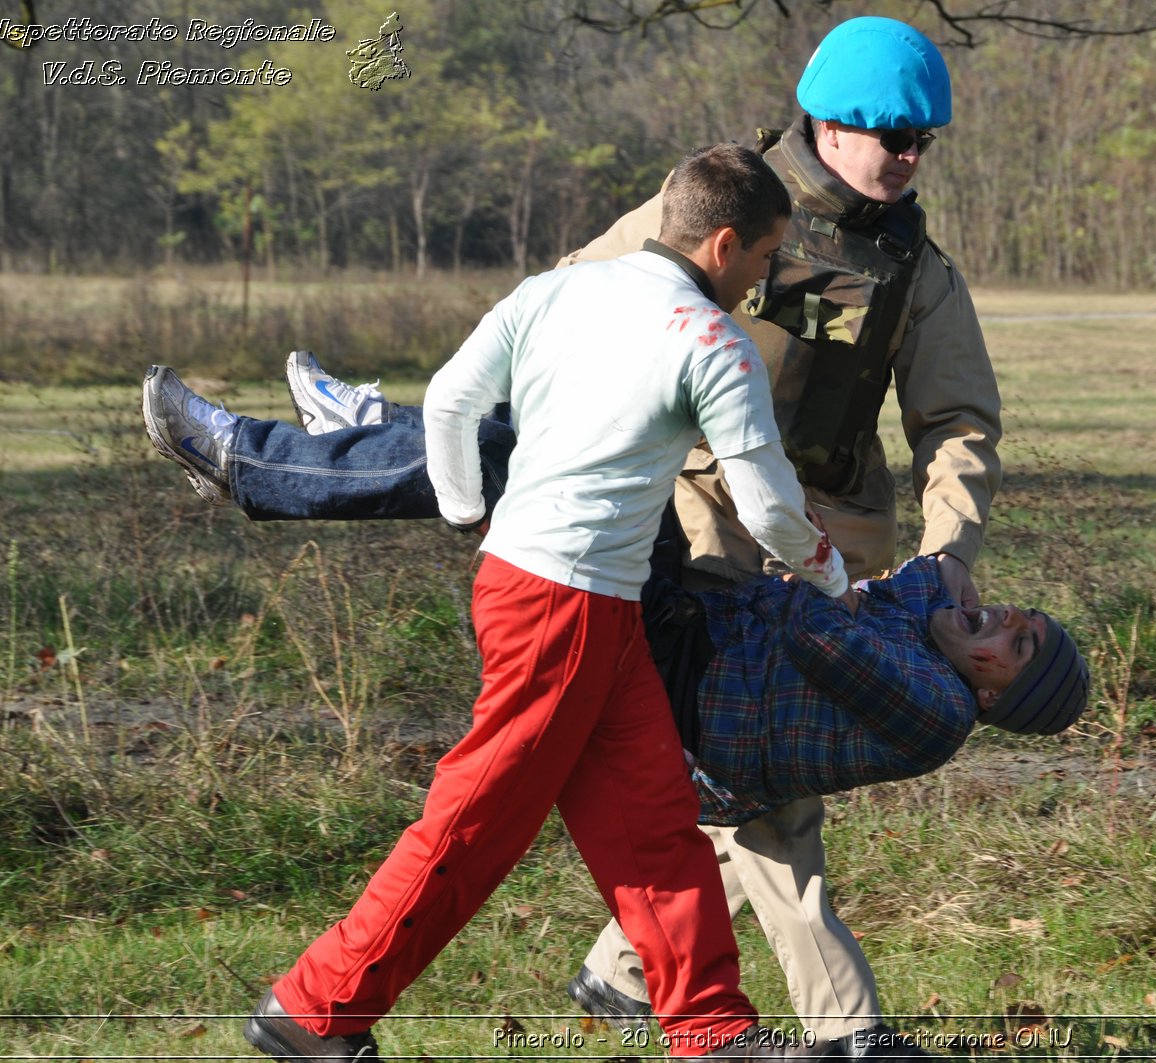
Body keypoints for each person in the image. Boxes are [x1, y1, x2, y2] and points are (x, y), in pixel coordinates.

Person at [144, 15, 1005, 1054]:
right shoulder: (720, 210)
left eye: (926, 144)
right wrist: (477, 497)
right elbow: (570, 311)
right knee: (649, 802)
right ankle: (322, 1012)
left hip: (755, 544)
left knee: (662, 799)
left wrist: (937, 548)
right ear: (825, 126)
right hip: (655, 540)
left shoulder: (913, 271)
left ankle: (685, 1012)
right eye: (893, 139)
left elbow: (955, 422)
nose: (910, 161)